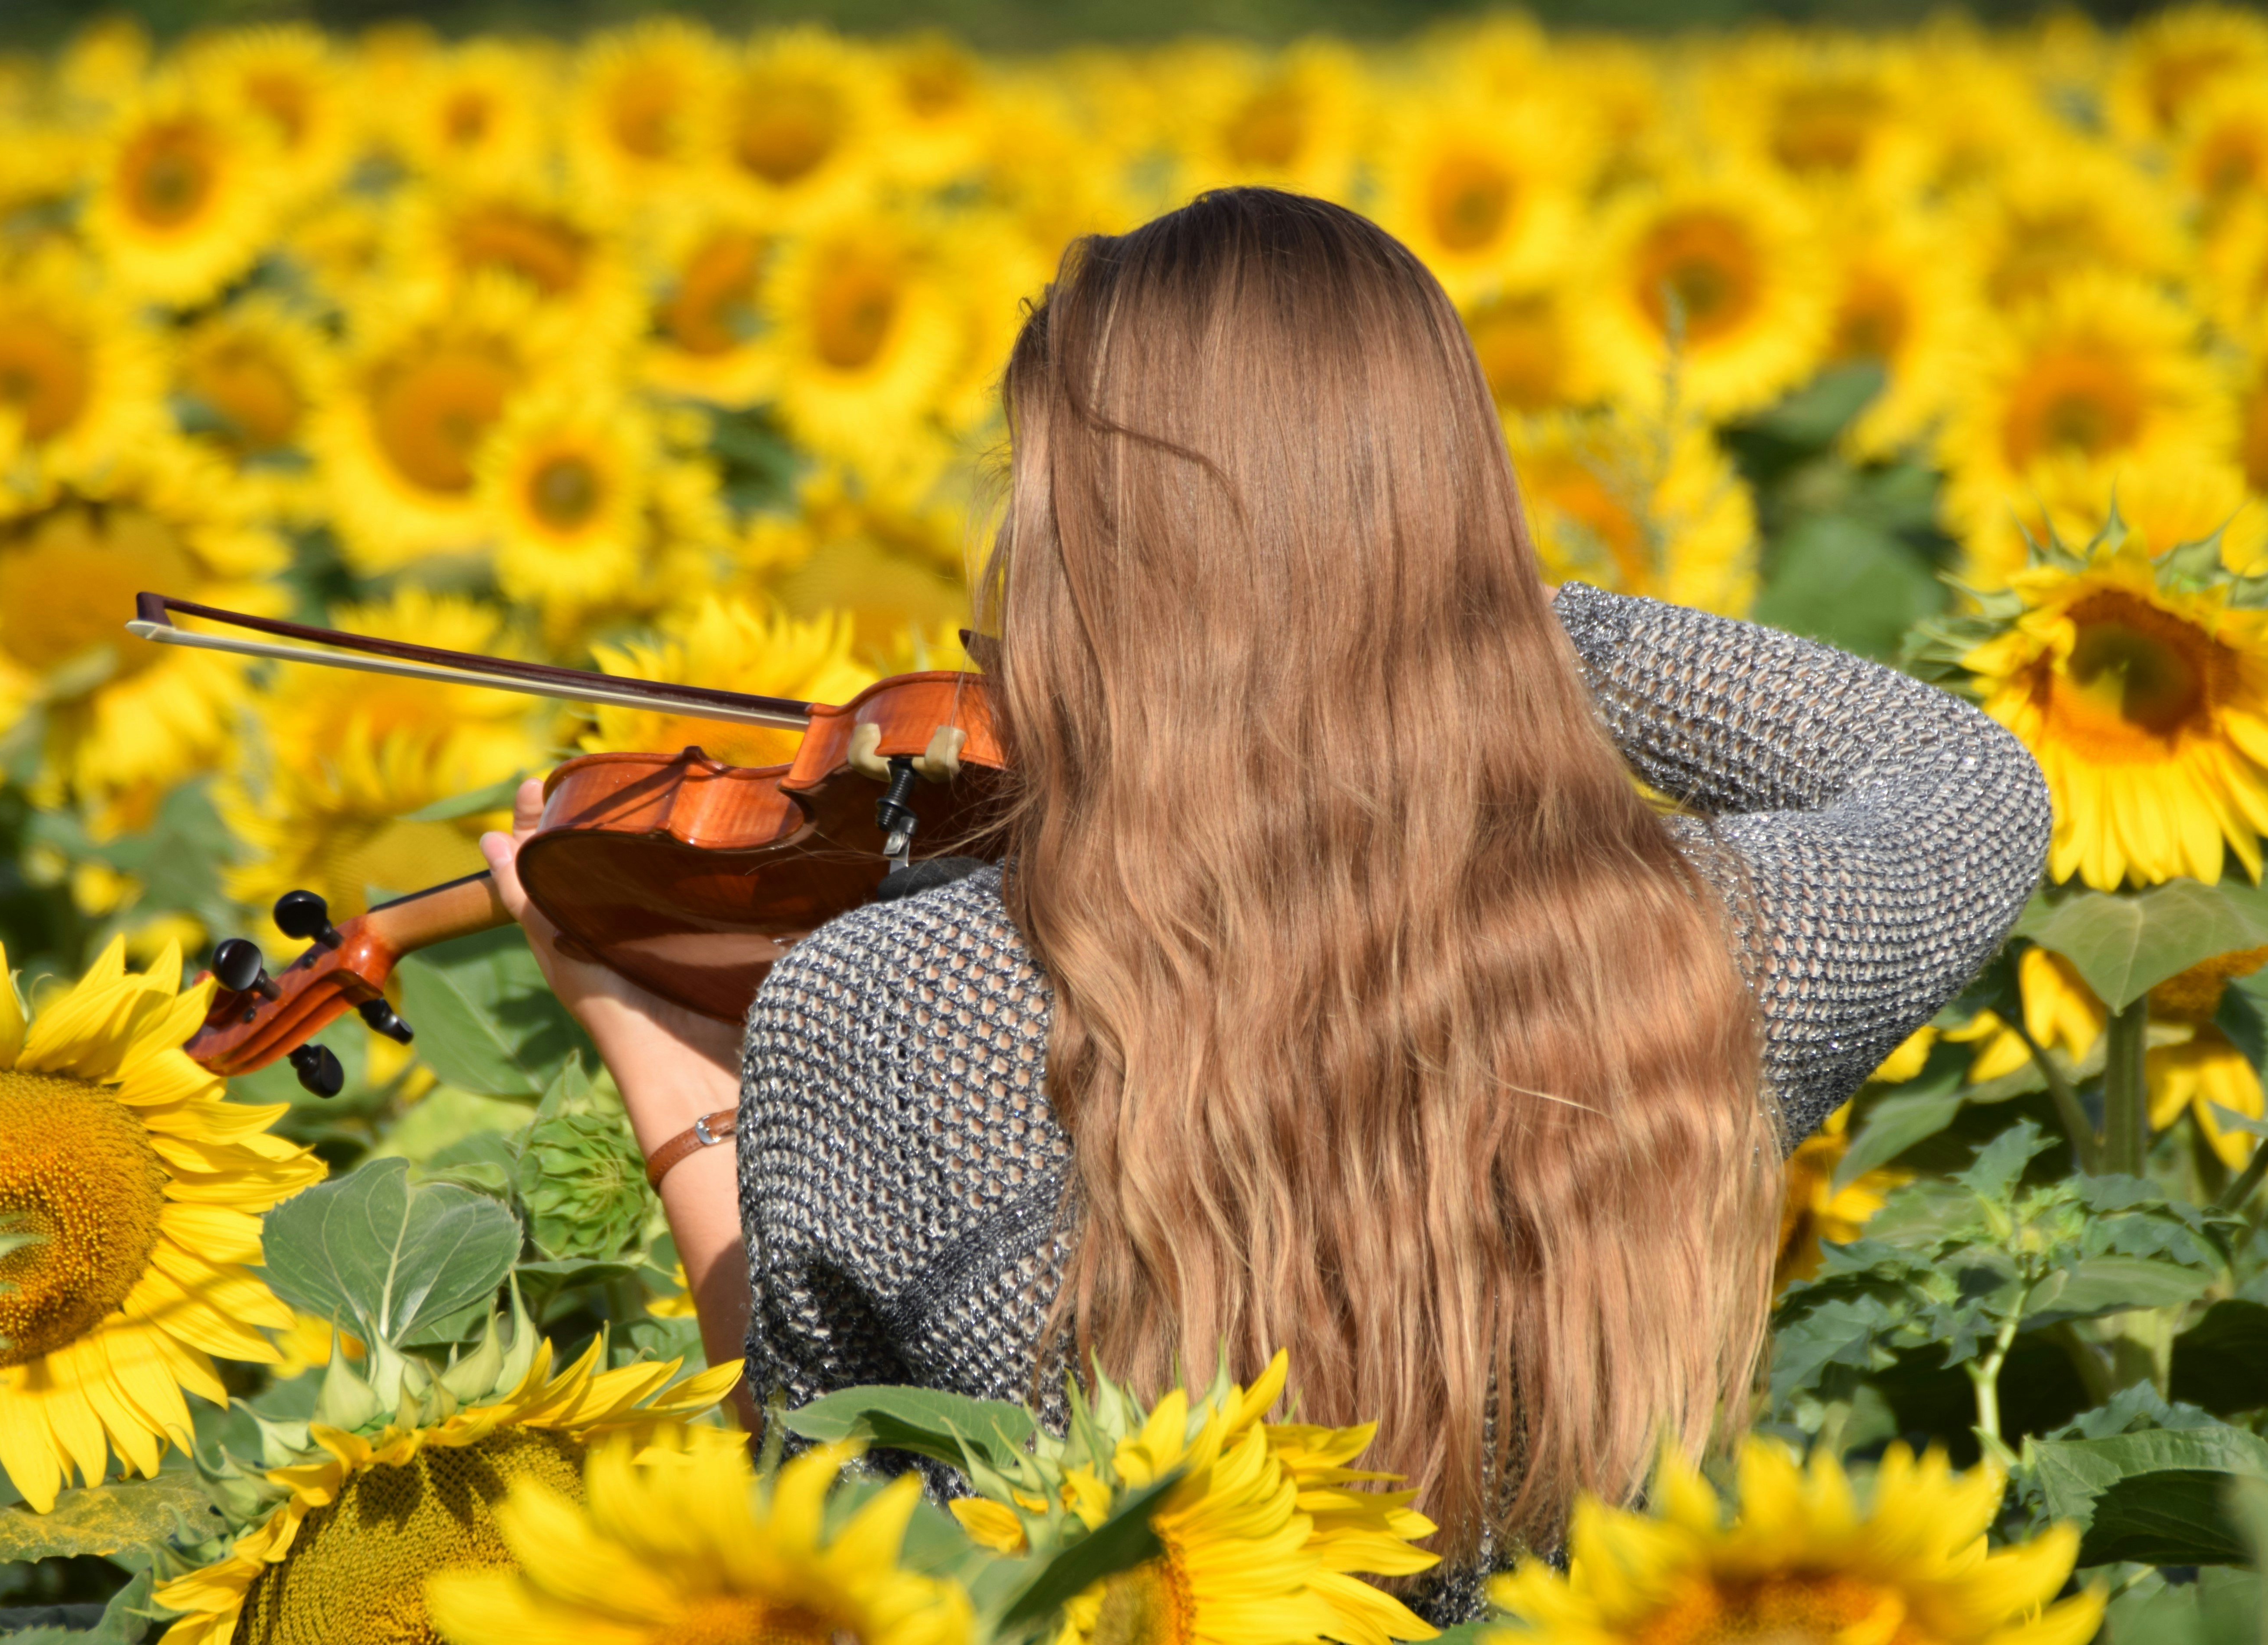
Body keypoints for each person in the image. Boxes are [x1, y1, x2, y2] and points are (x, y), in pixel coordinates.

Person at [481, 187, 2050, 1624]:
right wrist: (1456, 616)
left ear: (1084, 554)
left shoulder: (893, 1007)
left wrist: (671, 1077)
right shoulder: (1687, 957)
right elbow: (1969, 780)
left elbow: (823, 1516)